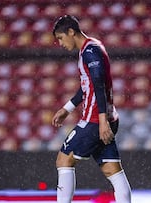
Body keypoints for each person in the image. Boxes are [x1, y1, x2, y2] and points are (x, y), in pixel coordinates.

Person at [51, 15, 131, 203]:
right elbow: (88, 86)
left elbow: (98, 85)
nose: (60, 43)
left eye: (61, 38)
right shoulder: (92, 47)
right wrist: (67, 108)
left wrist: (102, 122)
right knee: (112, 170)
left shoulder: (90, 52)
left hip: (95, 120)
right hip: (107, 118)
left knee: (64, 160)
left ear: (71, 32)